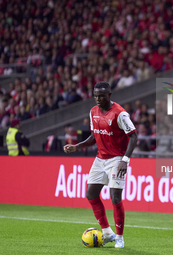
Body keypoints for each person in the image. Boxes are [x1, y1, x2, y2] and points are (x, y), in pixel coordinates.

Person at [63, 81, 137, 248]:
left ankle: (119, 237)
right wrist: (77, 146)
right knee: (91, 194)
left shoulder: (120, 114)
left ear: (109, 95)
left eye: (101, 96)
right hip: (100, 158)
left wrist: (125, 160)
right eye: (95, 95)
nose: (98, 99)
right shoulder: (93, 112)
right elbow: (94, 137)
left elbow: (133, 136)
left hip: (117, 159)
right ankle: (107, 232)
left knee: (115, 196)